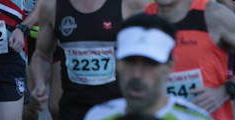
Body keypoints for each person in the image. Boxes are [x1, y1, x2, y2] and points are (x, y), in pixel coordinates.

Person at [29, 0, 150, 119]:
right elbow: (42, 54)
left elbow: (154, 54)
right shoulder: (52, 4)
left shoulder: (131, 0)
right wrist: (40, 83)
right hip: (73, 108)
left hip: (121, 109)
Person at [82, 13, 211, 120]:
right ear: (117, 63)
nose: (137, 74)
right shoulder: (97, 115)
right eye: (130, 61)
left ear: (170, 67)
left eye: (150, 63)